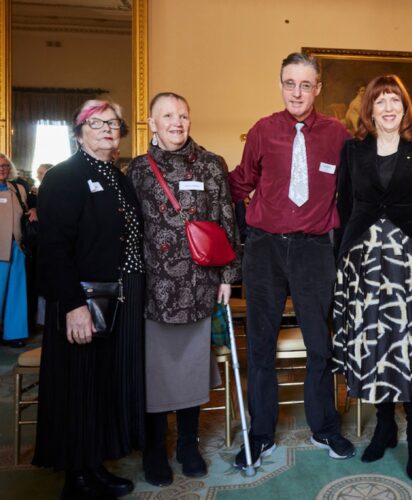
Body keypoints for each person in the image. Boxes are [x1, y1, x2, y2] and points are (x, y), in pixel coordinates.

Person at [228, 52, 355, 468]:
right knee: (260, 344)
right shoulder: (263, 131)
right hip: (263, 248)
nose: (296, 92)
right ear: (280, 84)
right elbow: (240, 182)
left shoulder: (339, 134)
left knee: (321, 344)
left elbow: (355, 189)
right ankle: (260, 433)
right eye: (289, 83)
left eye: (305, 85)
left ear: (318, 88)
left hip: (314, 250)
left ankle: (325, 428)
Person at [333, 75, 412, 481]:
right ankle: (385, 426)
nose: (388, 108)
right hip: (365, 262)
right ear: (369, 109)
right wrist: (344, 258)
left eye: (395, 101)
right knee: (377, 342)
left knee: (411, 346)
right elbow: (347, 205)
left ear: (405, 109)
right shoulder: (353, 151)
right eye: (380, 101)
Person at [127, 92, 241, 486]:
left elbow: (227, 222)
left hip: (199, 286)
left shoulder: (211, 164)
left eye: (184, 115)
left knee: (192, 370)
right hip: (154, 289)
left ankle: (188, 444)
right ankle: (155, 447)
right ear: (152, 123)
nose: (177, 122)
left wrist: (228, 277)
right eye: (168, 115)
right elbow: (129, 232)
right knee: (156, 372)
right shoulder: (138, 170)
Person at [33, 99, 144, 499]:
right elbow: (54, 248)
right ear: (78, 131)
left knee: (101, 386)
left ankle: (94, 464)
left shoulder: (118, 175)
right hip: (83, 299)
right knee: (78, 386)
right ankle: (76, 476)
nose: (107, 129)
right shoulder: (65, 176)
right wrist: (74, 305)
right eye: (96, 123)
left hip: (119, 296)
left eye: (113, 123)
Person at [0, 153, 30, 348]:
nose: (3, 169)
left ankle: (14, 334)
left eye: (5, 166)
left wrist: (34, 210)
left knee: (17, 292)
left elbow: (27, 210)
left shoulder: (18, 189)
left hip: (17, 247)